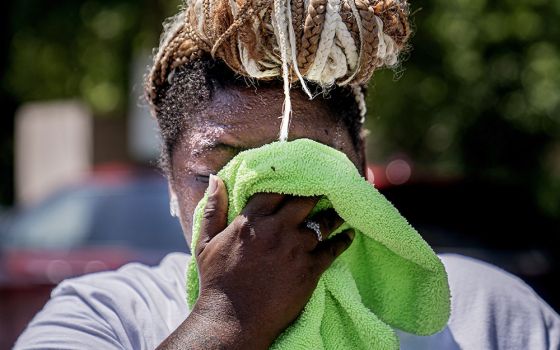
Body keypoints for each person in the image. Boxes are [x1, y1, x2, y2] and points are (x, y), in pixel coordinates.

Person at [16, 0, 560, 349]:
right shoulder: (104, 316)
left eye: (309, 165)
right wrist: (229, 318)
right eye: (220, 167)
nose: (266, 202)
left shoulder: (486, 315)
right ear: (170, 180)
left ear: (359, 165)